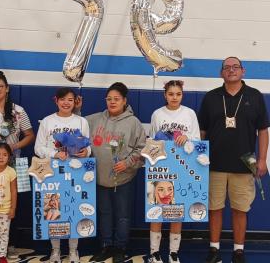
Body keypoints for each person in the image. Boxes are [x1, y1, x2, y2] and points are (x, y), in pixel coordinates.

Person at [198, 57, 269, 263]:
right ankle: (214, 249)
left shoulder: (254, 96)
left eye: (235, 67)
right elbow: (202, 131)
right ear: (221, 73)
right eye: (226, 68)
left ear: (243, 71)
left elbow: (263, 130)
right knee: (215, 208)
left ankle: (238, 251)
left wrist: (262, 159)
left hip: (244, 166)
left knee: (240, 209)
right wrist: (198, 159)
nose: (231, 70)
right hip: (213, 165)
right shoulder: (211, 97)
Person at [85, 82, 146, 263]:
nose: (112, 102)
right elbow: (75, 123)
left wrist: (127, 163)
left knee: (122, 215)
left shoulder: (133, 122)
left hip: (124, 178)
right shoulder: (94, 119)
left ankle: (120, 247)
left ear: (124, 101)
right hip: (100, 178)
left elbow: (142, 150)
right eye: (109, 99)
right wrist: (78, 108)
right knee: (104, 213)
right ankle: (105, 245)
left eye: (116, 99)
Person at [0, 70, 34, 258]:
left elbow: (29, 135)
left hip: (14, 165)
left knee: (12, 204)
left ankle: (10, 245)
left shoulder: (17, 111)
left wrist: (13, 146)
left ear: (7, 89)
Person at [34, 87, 91, 263]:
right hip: (53, 172)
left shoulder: (81, 121)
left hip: (75, 171)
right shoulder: (47, 121)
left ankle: (73, 250)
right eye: (63, 99)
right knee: (53, 209)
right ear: (56, 100)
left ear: (75, 102)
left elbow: (88, 146)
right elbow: (38, 148)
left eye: (70, 100)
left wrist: (85, 152)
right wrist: (55, 154)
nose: (66, 103)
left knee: (74, 209)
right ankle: (55, 251)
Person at [147, 80, 200, 263]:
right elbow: (152, 141)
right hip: (161, 165)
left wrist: (187, 138)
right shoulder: (157, 114)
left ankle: (173, 252)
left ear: (182, 95)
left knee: (177, 209)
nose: (174, 97)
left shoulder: (189, 114)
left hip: (183, 165)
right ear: (165, 95)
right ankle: (154, 252)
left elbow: (197, 140)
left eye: (178, 94)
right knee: (157, 208)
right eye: (171, 94)